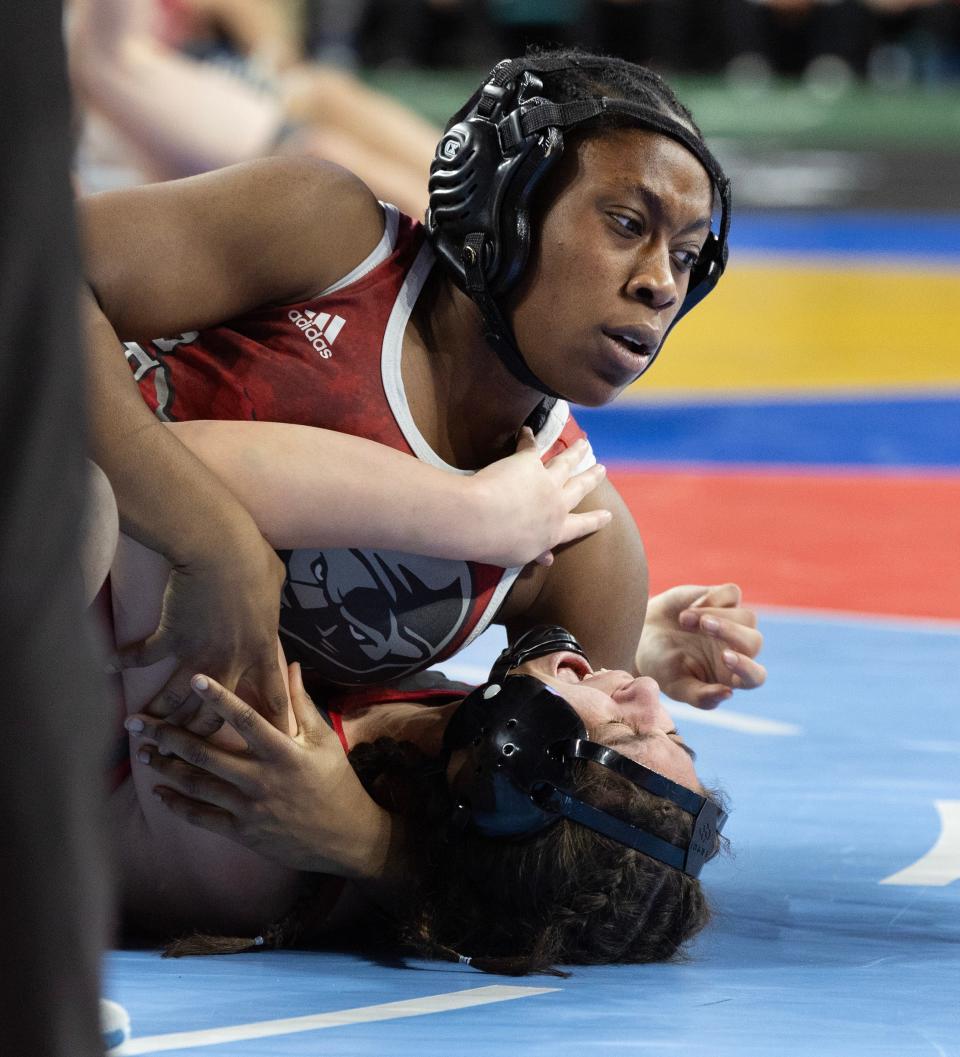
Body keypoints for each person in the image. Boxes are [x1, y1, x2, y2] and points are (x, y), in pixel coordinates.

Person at [80, 48, 765, 738]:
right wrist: (210, 539)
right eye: (625, 223)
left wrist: (367, 836)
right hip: (38, 590)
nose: (662, 285)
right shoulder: (330, 242)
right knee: (83, 511)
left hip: (99, 767)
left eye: (684, 256)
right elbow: (29, 279)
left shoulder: (583, 545)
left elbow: (547, 818)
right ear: (498, 201)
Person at [85, 432, 727, 973]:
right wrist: (639, 642)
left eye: (623, 729)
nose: (646, 693)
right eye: (674, 733)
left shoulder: (263, 781)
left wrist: (471, 512)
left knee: (81, 520)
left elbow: (157, 475)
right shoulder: (433, 765)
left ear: (511, 761)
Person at [68, 0, 440, 213]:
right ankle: (467, 232)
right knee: (322, 152)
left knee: (326, 92)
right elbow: (104, 56)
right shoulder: (95, 54)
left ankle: (473, 179)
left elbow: (260, 26)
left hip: (228, 105)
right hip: (141, 147)